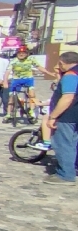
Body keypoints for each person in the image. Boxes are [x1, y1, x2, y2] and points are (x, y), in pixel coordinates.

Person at [40, 51, 78, 184]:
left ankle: (65, 174)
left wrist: (53, 116)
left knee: (63, 144)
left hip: (67, 115)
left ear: (62, 63)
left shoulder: (70, 75)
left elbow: (67, 97)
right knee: (73, 144)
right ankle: (73, 168)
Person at [5, 45, 48, 120]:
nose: (21, 54)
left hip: (28, 79)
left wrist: (49, 73)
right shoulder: (13, 61)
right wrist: (5, 81)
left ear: (26, 54)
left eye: (23, 53)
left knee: (31, 95)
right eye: (19, 53)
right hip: (16, 79)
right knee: (11, 97)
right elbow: (7, 72)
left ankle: (31, 111)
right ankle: (8, 114)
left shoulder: (31, 59)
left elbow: (39, 67)